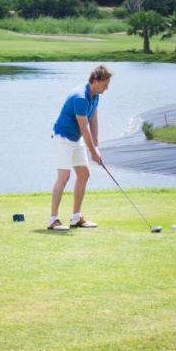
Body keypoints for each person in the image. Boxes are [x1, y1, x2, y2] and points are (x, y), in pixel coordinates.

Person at [47, 65, 112, 231]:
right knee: (64, 176)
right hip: (62, 137)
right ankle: (53, 220)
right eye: (105, 84)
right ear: (96, 81)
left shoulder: (95, 95)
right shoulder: (80, 97)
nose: (107, 88)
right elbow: (85, 128)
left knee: (84, 174)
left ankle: (76, 217)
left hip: (76, 139)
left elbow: (93, 121)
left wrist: (96, 147)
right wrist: (92, 152)